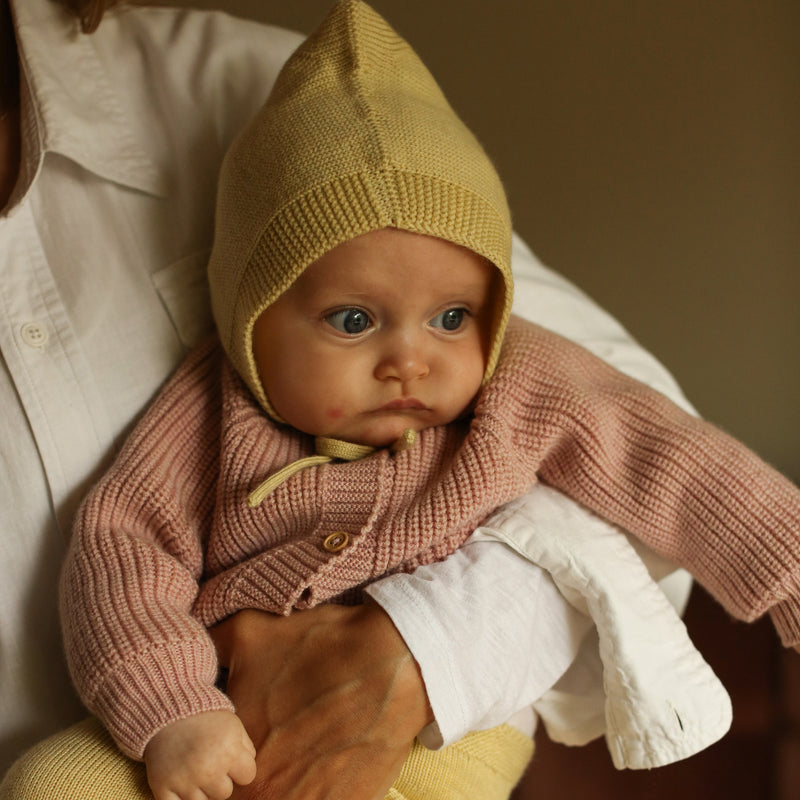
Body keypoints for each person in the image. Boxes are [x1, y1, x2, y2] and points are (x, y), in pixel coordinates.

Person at [8, 2, 798, 799]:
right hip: (213, 699)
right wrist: (170, 709)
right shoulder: (211, 408)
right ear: (250, 316)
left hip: (448, 734)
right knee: (49, 783)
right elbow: (124, 551)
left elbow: (671, 460)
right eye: (354, 321)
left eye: (452, 317)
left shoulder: (518, 377)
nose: (411, 363)